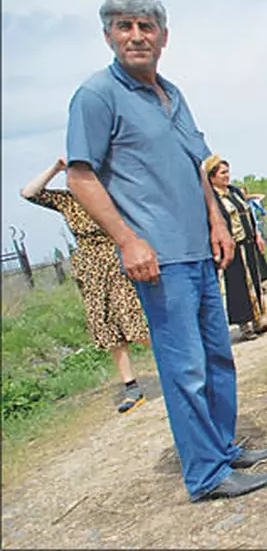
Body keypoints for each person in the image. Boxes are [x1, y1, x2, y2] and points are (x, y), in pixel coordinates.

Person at [65, 0, 267, 502]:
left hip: (199, 250)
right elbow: (80, 177)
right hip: (158, 258)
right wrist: (128, 240)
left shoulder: (172, 93)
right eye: (124, 26)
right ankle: (206, 474)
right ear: (108, 36)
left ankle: (222, 448)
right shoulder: (96, 96)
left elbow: (196, 165)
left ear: (163, 37)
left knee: (218, 357)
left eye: (147, 26)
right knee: (185, 368)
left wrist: (217, 222)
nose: (136, 36)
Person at [21, 157, 151, 414]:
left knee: (134, 323)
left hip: (116, 259)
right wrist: (56, 168)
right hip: (90, 269)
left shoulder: (112, 194)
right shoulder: (67, 200)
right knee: (108, 329)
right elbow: (29, 193)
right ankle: (132, 387)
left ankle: (177, 363)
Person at [205, 155, 267, 342]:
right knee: (239, 287)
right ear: (212, 177)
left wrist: (257, 235)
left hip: (248, 242)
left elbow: (248, 214)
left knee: (255, 282)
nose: (226, 176)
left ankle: (258, 321)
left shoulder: (234, 191)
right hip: (232, 247)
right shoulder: (212, 199)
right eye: (222, 173)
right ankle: (245, 325)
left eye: (227, 172)